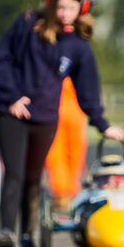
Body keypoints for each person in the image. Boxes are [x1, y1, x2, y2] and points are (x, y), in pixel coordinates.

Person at [0, 0, 124, 247]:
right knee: (14, 173)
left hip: (45, 119)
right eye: (60, 7)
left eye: (70, 8)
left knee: (32, 177)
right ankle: (7, 232)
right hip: (11, 113)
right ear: (49, 1)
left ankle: (27, 236)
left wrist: (103, 124)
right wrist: (12, 96)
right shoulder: (27, 24)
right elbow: (1, 59)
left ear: (82, 8)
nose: (64, 13)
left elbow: (87, 90)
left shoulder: (78, 45)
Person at [44, 76, 88, 210]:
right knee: (67, 152)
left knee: (61, 153)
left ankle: (65, 191)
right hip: (70, 108)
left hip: (60, 108)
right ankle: (65, 191)